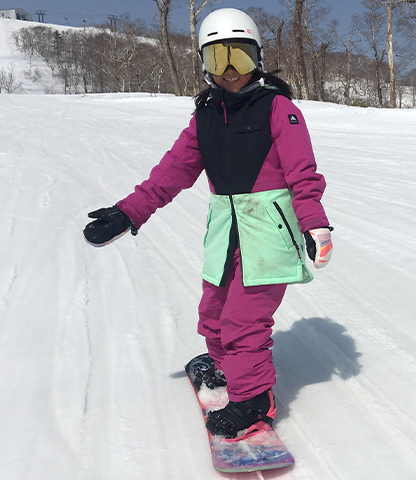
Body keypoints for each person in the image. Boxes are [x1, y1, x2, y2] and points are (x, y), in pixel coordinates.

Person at [83, 8, 333, 439]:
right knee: (213, 312)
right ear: (204, 65)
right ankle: (228, 365)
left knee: (243, 320)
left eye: (240, 56)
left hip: (269, 234)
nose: (231, 69)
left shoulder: (279, 109)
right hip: (227, 231)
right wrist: (128, 211)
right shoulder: (205, 119)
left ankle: (254, 399)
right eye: (219, 59)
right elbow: (171, 172)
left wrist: (314, 223)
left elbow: (302, 172)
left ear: (257, 58)